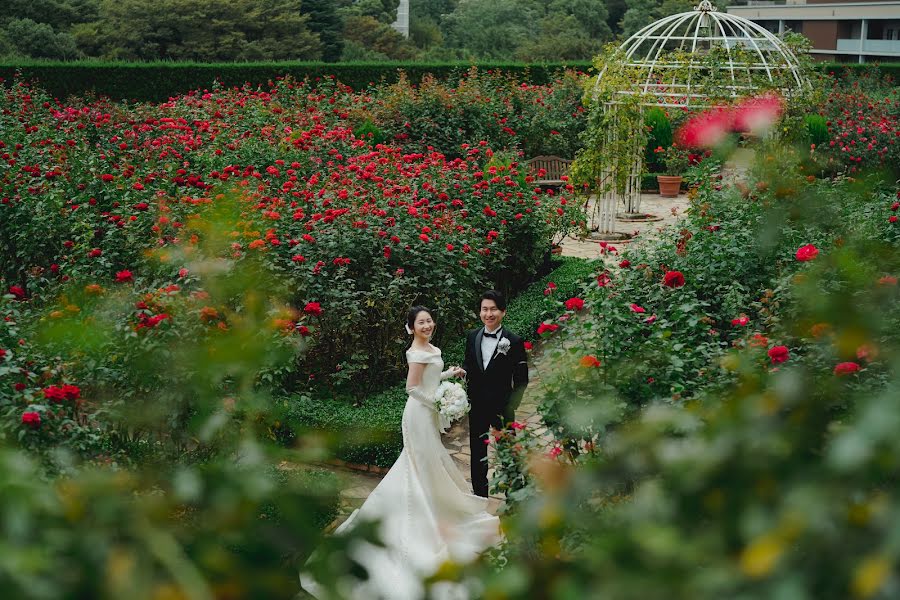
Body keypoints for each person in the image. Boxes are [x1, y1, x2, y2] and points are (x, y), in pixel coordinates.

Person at [300, 306, 500, 600]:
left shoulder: (431, 348)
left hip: (427, 414)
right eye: (421, 322)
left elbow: (430, 378)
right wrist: (439, 403)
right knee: (418, 466)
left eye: (429, 320)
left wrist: (449, 374)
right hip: (418, 416)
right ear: (411, 327)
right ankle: (418, 523)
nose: (427, 325)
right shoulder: (416, 353)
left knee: (426, 465)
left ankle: (434, 508)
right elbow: (413, 388)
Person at [459, 290, 529, 498]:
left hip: (502, 407)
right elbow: (469, 364)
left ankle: (513, 494)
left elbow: (522, 379)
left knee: (508, 452)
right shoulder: (472, 337)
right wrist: (462, 377)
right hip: (478, 406)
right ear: (480, 312)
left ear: (503, 312)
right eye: (484, 309)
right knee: (478, 453)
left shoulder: (514, 341)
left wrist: (511, 405)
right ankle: (480, 495)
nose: (488, 314)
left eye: (493, 309)